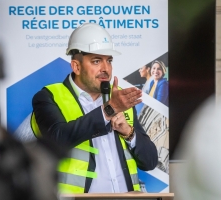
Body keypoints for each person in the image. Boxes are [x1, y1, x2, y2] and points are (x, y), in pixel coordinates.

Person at [31, 23, 158, 194]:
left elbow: (150, 161)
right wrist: (109, 110)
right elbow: (57, 139)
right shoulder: (48, 96)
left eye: (109, 61)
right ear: (76, 66)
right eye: (96, 61)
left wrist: (129, 132)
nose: (106, 69)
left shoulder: (120, 99)